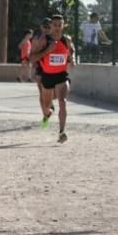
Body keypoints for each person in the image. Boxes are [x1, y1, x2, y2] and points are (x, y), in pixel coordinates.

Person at [29, 14, 72, 143]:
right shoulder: (44, 40)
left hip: (61, 75)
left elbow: (69, 53)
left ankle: (62, 132)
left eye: (60, 25)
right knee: (46, 106)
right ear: (50, 26)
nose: (57, 28)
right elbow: (32, 58)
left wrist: (71, 59)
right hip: (47, 76)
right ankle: (46, 116)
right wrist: (48, 50)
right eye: (55, 25)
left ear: (63, 25)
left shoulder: (67, 40)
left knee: (62, 102)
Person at [29, 17, 54, 125]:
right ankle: (45, 115)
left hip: (52, 67)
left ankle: (48, 110)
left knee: (49, 93)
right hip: (40, 67)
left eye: (49, 27)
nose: (47, 29)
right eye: (45, 27)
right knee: (42, 92)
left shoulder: (54, 38)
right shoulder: (38, 38)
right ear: (41, 27)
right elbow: (32, 56)